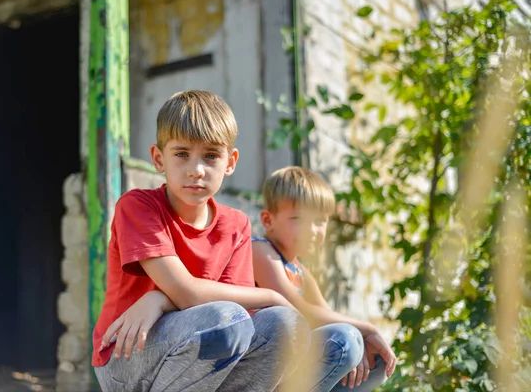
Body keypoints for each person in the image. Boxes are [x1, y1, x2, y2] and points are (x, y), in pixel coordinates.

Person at [91, 91, 310, 392]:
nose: (196, 170)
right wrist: (271, 295)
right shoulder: (138, 206)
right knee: (226, 319)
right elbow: (190, 294)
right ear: (158, 159)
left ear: (230, 162)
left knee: (286, 325)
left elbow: (236, 308)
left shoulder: (236, 224)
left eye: (210, 156)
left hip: (197, 353)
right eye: (181, 154)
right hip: (127, 353)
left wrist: (159, 299)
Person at [252, 166, 397, 391]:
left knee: (375, 359)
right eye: (299, 218)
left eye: (319, 221)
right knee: (345, 340)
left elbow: (329, 316)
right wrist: (365, 328)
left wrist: (360, 341)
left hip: (296, 363)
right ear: (268, 220)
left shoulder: (301, 271)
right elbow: (298, 309)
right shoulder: (261, 252)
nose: (312, 230)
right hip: (266, 365)